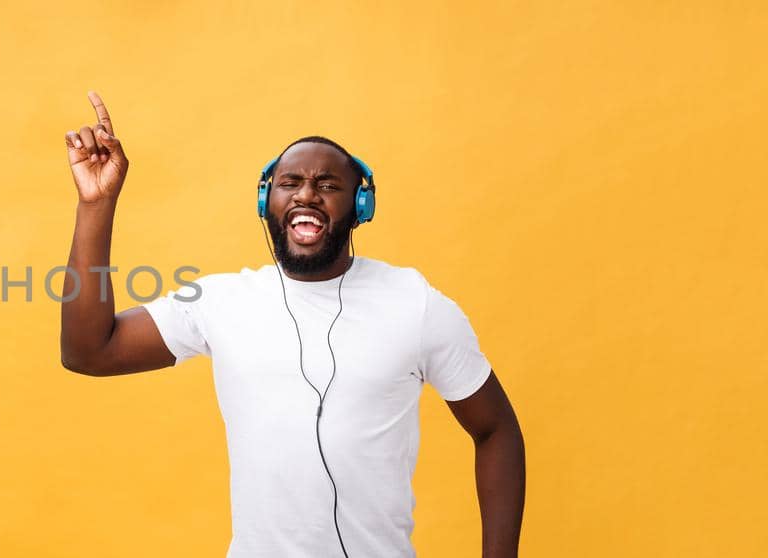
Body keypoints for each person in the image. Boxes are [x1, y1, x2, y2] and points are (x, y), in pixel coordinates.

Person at [58, 92, 525, 557]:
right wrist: (96, 204)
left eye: (327, 184)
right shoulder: (222, 301)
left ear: (361, 206)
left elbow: (496, 430)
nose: (306, 193)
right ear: (267, 201)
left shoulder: (416, 304)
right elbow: (89, 351)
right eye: (290, 182)